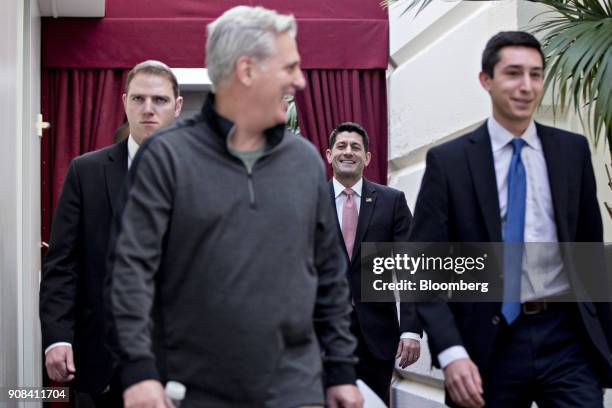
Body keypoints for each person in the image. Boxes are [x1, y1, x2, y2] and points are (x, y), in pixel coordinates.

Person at [107, 6, 362, 408]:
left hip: (295, 389)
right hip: (193, 391)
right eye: (288, 67)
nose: (299, 80)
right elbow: (131, 270)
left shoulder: (307, 161)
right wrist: (138, 370)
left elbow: (329, 274)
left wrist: (343, 371)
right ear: (246, 71)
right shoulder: (165, 157)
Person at [408, 31, 612, 407]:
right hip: (487, 344)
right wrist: (451, 352)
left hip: (566, 337)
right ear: (486, 80)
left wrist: (605, 348)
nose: (526, 86)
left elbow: (590, 256)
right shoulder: (450, 162)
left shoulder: (572, 152)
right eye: (514, 73)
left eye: (536, 74)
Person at [39, 60, 183, 407]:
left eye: (160, 100)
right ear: (124, 103)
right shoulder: (85, 172)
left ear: (177, 107)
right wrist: (57, 337)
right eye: (138, 99)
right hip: (103, 361)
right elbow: (62, 264)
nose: (148, 109)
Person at [326, 122, 422, 404]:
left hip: (376, 338)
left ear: (367, 158)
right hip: (323, 337)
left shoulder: (392, 201)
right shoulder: (310, 201)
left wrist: (411, 329)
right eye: (341, 146)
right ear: (328, 154)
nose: (348, 152)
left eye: (356, 147)